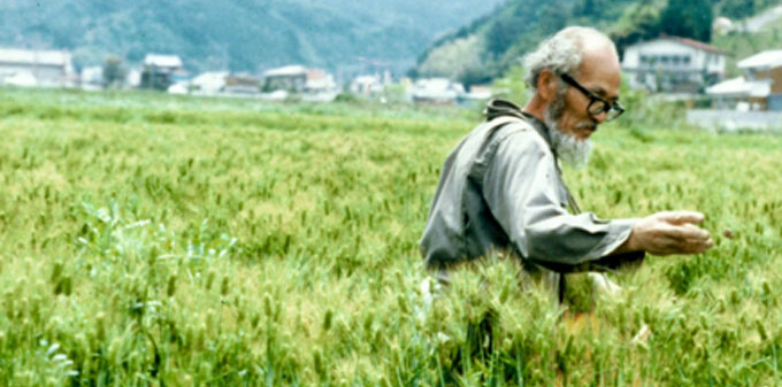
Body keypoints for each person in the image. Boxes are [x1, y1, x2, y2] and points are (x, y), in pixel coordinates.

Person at [419, 26, 714, 299]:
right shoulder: (522, 143)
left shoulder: (495, 135)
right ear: (548, 83)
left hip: (461, 323)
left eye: (610, 105)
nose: (600, 116)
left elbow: (514, 248)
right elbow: (537, 234)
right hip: (479, 337)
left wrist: (600, 288)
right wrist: (633, 235)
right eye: (595, 96)